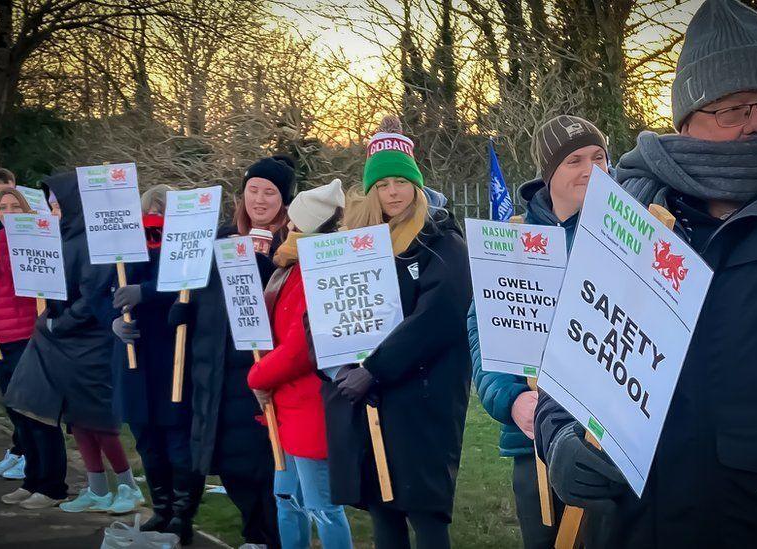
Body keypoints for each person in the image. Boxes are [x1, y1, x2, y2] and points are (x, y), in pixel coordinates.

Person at [535, 1, 757, 548]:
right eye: (732, 108)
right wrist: (556, 436)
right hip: (651, 524)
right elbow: (577, 354)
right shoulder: (629, 213)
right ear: (687, 121)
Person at [326, 117, 472, 549]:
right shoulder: (356, 244)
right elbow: (330, 306)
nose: (393, 191)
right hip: (369, 401)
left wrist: (375, 368)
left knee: (424, 514)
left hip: (423, 401)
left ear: (417, 184)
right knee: (382, 511)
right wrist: (340, 363)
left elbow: (438, 316)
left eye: (402, 181)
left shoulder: (441, 243)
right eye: (384, 182)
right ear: (372, 190)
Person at [469, 115, 608, 548]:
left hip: (607, 446)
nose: (591, 168)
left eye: (599, 156)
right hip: (534, 443)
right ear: (549, 175)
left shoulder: (623, 237)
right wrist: (512, 400)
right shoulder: (512, 241)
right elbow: (483, 335)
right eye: (574, 160)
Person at [169, 155, 297, 547]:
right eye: (253, 190)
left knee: (260, 460)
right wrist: (183, 308)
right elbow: (198, 289)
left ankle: (269, 535)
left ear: (284, 200)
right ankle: (252, 531)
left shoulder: (290, 242)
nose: (260, 200)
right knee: (228, 460)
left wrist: (265, 268)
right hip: (213, 368)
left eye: (270, 193)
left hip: (259, 368)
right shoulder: (221, 238)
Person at [6, 171, 141, 513]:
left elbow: (91, 296)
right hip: (65, 341)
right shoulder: (65, 236)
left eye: (56, 204)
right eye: (50, 204)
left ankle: (126, 485)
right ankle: (97, 487)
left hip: (90, 342)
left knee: (99, 420)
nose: (51, 210)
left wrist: (58, 322)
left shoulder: (92, 242)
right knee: (78, 419)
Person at [247, 179, 353, 549]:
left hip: (310, 406)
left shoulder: (316, 271)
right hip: (285, 405)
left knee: (322, 506)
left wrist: (258, 376)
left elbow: (300, 349)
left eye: (291, 221)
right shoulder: (290, 266)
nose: (284, 227)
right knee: (286, 498)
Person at [109, 185, 195, 533]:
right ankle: (161, 508)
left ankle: (181, 516)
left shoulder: (187, 244)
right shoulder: (125, 246)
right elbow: (107, 290)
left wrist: (146, 292)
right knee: (148, 442)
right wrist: (113, 321)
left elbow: (189, 284)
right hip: (134, 357)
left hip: (173, 354)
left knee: (177, 441)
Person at [0, 188, 38, 482]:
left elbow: (20, 279)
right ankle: (22, 452)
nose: (9, 212)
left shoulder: (27, 243)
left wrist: (3, 244)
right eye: (4, 208)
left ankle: (30, 456)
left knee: (24, 402)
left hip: (23, 331)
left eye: (16, 207)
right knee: (10, 400)